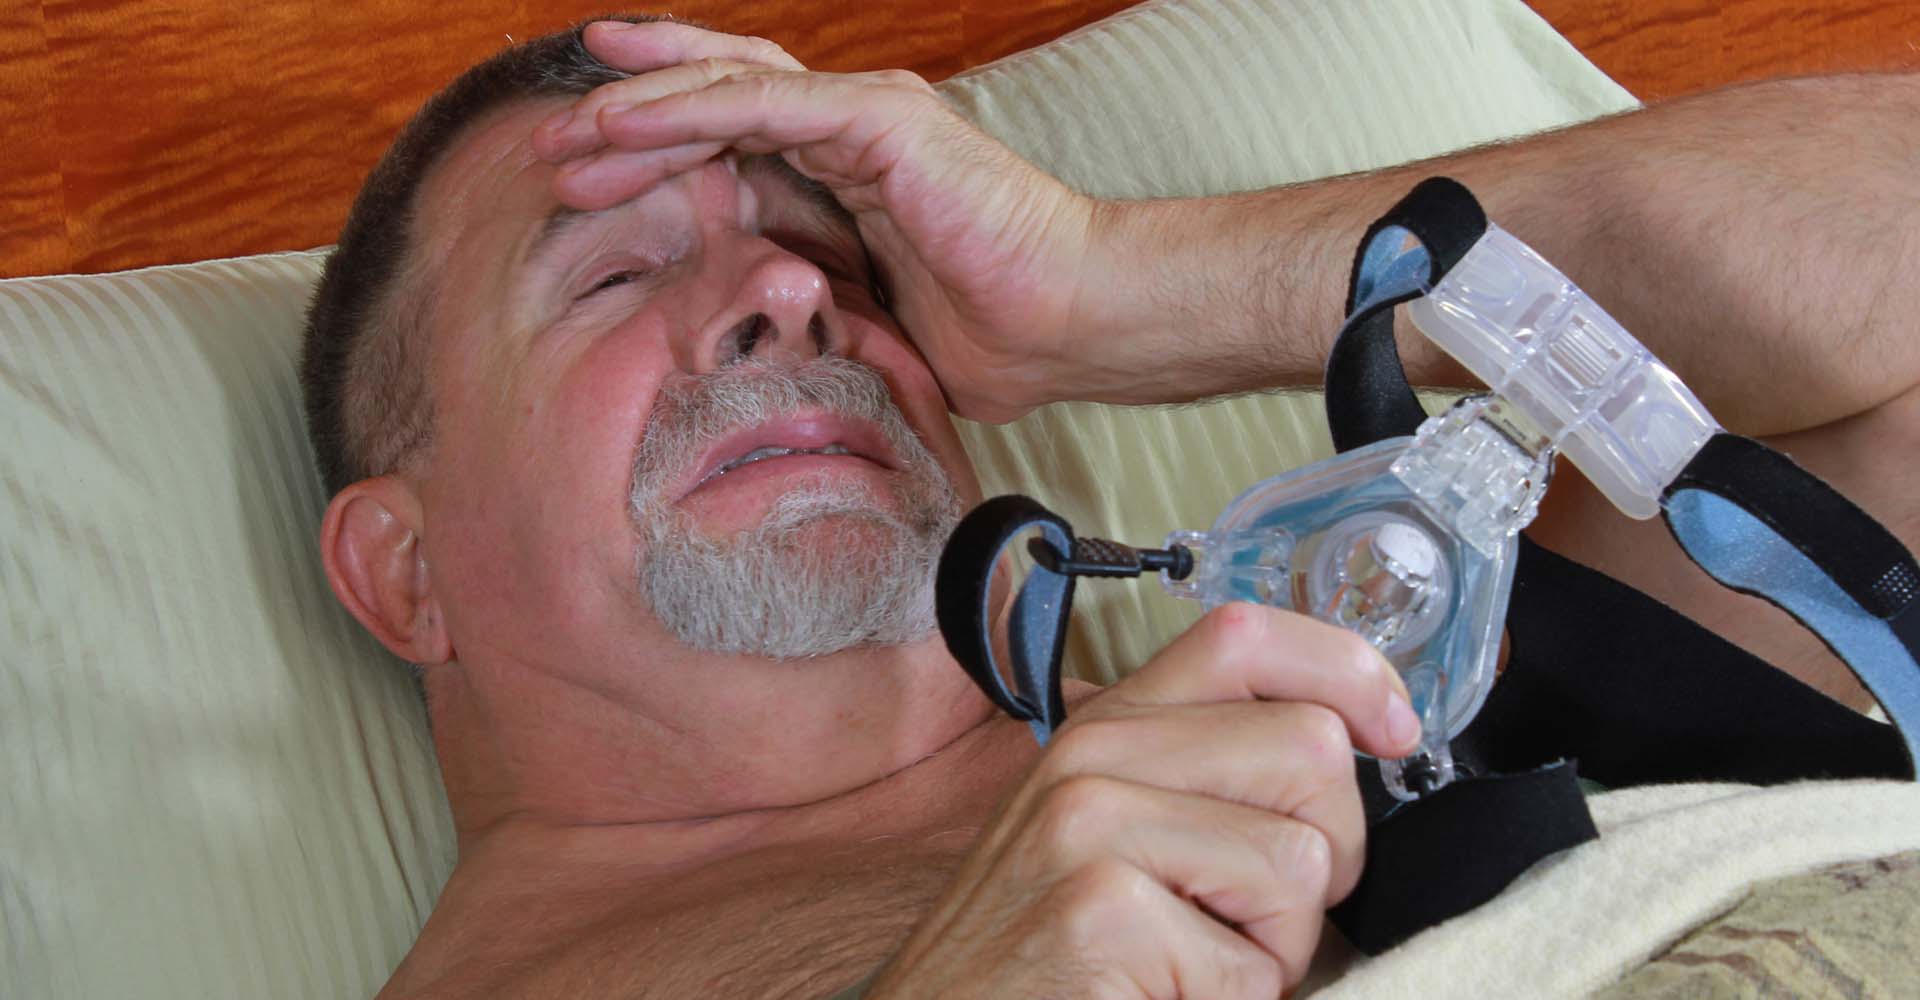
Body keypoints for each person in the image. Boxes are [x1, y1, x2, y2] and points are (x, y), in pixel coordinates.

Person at [300, 14, 1920, 998]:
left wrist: (1107, 287)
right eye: (614, 273)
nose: (791, 289)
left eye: (846, 267)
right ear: (403, 569)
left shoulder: (1397, 677)